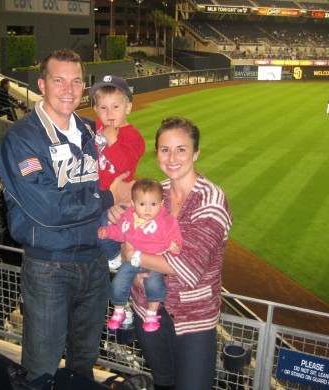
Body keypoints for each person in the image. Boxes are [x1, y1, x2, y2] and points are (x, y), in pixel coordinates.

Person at [0, 49, 133, 382]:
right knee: (41, 366)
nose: (69, 90)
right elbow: (49, 209)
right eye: (59, 80)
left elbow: (121, 172)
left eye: (76, 81)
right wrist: (106, 198)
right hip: (49, 268)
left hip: (96, 263)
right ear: (42, 84)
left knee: (84, 363)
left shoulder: (91, 131)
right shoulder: (21, 138)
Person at [111, 117, 233, 390]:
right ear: (157, 154)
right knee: (164, 383)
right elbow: (127, 232)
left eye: (181, 149)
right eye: (165, 149)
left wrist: (135, 260)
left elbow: (188, 268)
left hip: (193, 319)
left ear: (196, 153)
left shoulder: (211, 200)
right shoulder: (157, 192)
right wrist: (120, 230)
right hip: (148, 310)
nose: (172, 157)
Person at [99, 178, 182, 333]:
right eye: (142, 204)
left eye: (153, 204)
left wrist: (174, 245)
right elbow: (119, 232)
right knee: (118, 282)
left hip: (153, 260)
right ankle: (118, 311)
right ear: (134, 203)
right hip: (132, 262)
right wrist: (107, 232)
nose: (148, 209)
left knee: (153, 284)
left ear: (162, 203)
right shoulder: (128, 217)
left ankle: (151, 315)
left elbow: (175, 236)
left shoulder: (166, 221)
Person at [89, 75, 145, 269]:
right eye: (103, 108)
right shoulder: (95, 127)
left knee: (103, 225)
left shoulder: (133, 136)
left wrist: (112, 141)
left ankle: (115, 256)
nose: (109, 113)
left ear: (127, 108)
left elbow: (125, 165)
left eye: (116, 107)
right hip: (100, 194)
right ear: (96, 110)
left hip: (119, 199)